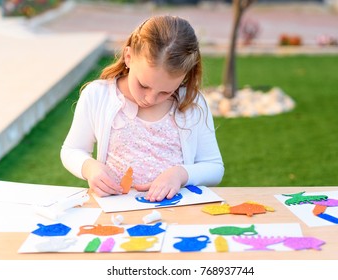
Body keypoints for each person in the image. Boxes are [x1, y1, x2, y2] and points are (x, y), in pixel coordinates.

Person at [60, 15, 224, 202]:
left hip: (176, 209)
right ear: (128, 57)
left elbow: (214, 167)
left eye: (166, 92)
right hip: (116, 209)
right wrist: (90, 168)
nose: (150, 98)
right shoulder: (98, 95)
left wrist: (180, 174)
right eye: (143, 85)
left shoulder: (191, 103)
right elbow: (72, 150)